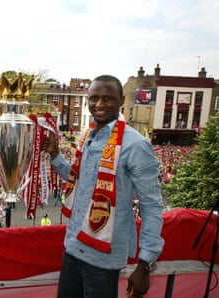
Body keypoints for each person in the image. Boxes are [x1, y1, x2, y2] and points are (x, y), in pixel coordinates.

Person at [44, 75, 164, 298]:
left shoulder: (136, 145)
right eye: (94, 98)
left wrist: (145, 264)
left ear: (121, 100)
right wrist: (55, 155)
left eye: (107, 98)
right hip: (72, 247)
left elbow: (152, 207)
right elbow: (78, 181)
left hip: (102, 260)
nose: (99, 104)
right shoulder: (88, 136)